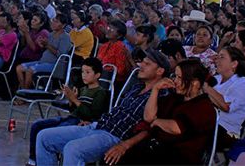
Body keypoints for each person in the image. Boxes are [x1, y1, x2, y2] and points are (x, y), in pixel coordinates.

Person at [35, 49, 170, 166]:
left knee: (72, 149)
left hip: (114, 136)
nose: (140, 65)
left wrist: (125, 145)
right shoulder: (137, 87)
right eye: (142, 62)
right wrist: (95, 121)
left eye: (147, 64)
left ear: (160, 71)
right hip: (98, 125)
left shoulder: (162, 95)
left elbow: (151, 128)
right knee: (44, 137)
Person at [111, 59, 216, 165]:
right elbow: (148, 117)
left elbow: (177, 128)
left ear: (195, 83)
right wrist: (155, 89)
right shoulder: (174, 98)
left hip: (178, 157)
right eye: (175, 76)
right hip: (155, 148)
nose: (175, 81)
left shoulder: (204, 107)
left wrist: (156, 121)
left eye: (180, 78)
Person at [27, 57, 108, 166]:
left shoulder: (100, 92)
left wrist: (74, 99)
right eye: (83, 72)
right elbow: (73, 110)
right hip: (71, 118)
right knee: (37, 125)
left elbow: (92, 115)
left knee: (52, 133)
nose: (84, 75)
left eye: (88, 72)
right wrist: (71, 100)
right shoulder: (83, 90)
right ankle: (33, 161)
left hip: (81, 122)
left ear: (97, 75)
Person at [203, 47, 245, 148]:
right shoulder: (216, 79)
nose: (217, 60)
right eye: (218, 56)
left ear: (234, 64)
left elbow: (226, 106)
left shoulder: (243, 83)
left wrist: (207, 88)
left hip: (226, 131)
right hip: (208, 123)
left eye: (222, 57)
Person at [16, 12, 71, 90]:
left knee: (30, 70)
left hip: (54, 65)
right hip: (42, 61)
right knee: (19, 68)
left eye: (56, 22)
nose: (53, 23)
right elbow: (45, 48)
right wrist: (42, 45)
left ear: (63, 25)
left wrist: (47, 45)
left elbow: (61, 55)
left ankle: (25, 94)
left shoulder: (65, 37)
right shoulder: (51, 34)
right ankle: (23, 92)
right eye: (53, 20)